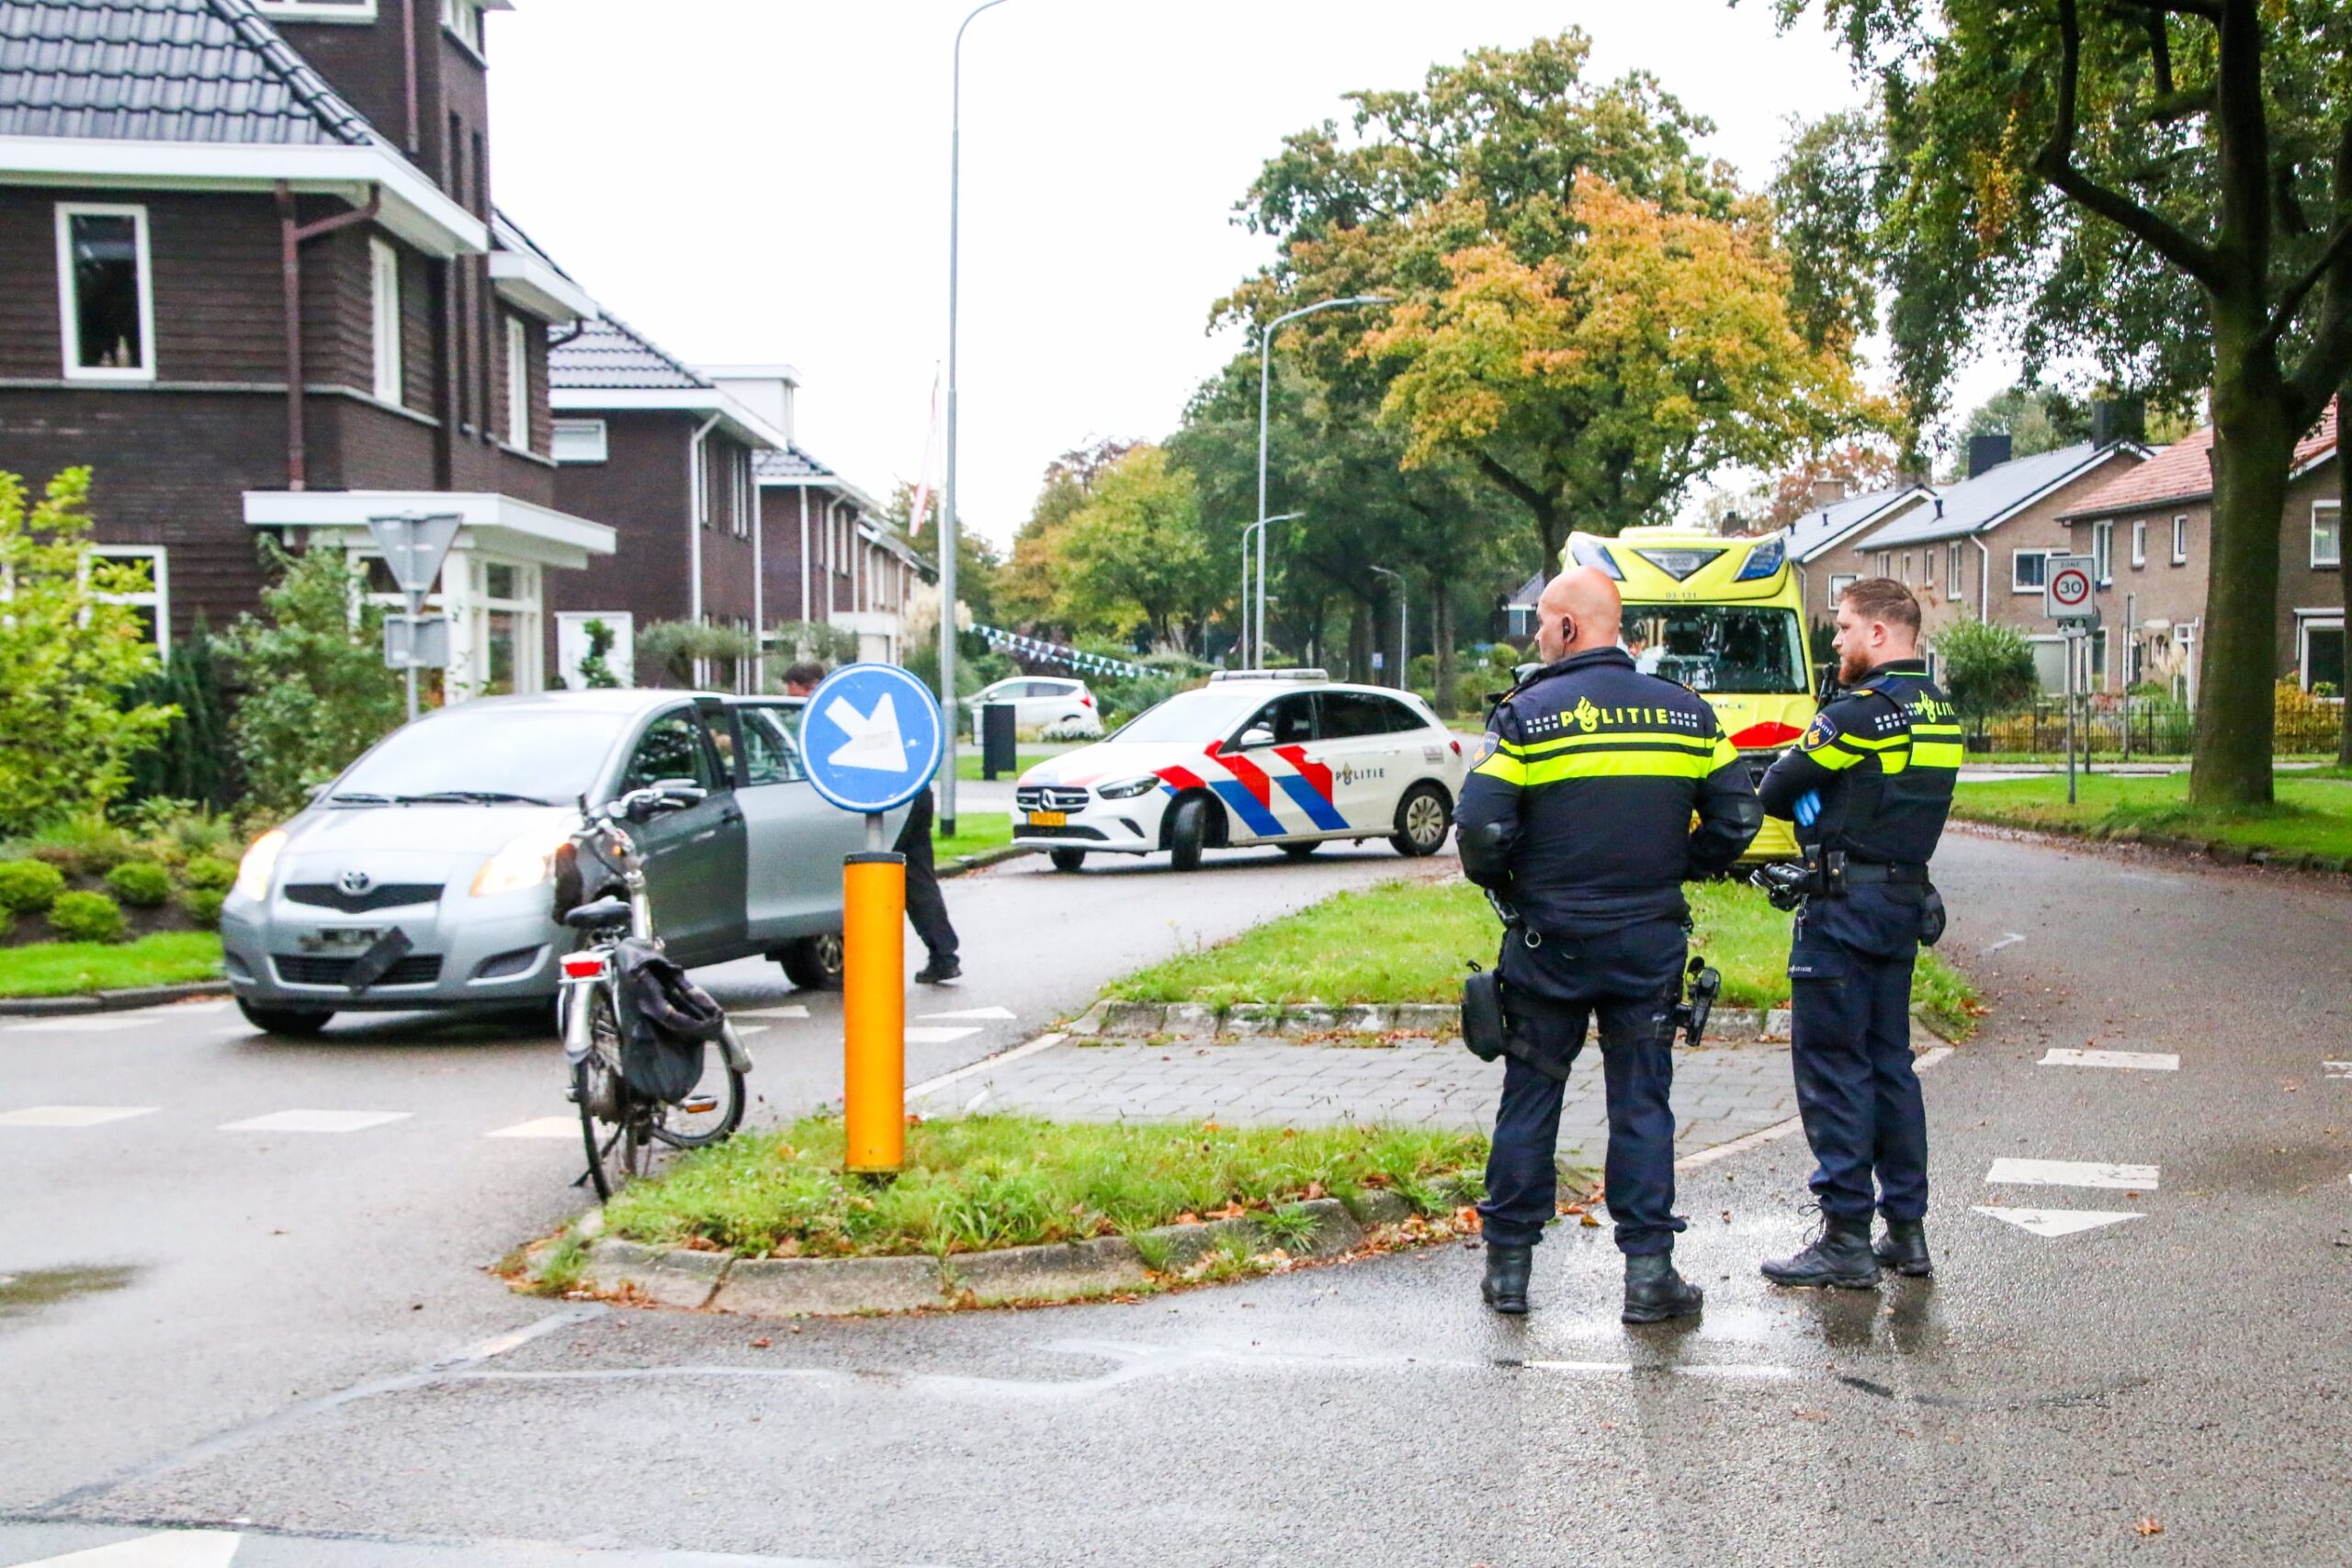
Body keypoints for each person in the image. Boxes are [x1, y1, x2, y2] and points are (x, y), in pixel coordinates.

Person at [1459, 567, 1762, 1322]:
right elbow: (1738, 820)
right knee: (1642, 1102)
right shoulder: (1689, 716)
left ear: (1569, 627)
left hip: (1548, 942)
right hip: (1647, 941)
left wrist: (1516, 884)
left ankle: (1509, 1274)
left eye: (1543, 622)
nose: (1537, 635)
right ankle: (1650, 1278)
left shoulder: (1526, 716)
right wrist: (1675, 866)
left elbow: (1479, 829)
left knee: (1531, 1093)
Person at [1755, 578, 1962, 1287]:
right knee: (1889, 1065)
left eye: (1843, 628)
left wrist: (1815, 799)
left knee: (1834, 1068)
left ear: (1878, 633)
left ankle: (1844, 1234)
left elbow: (1777, 790)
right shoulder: (1940, 710)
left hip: (1841, 910)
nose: (1836, 641)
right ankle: (1906, 1230)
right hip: (1902, 902)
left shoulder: (1858, 714)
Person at [779, 660, 962, 985]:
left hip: (889, 799)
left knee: (870, 875)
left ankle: (870, 960)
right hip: (911, 794)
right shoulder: (854, 700)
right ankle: (944, 954)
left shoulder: (836, 710)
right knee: (917, 880)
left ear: (813, 687)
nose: (801, 706)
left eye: (799, 696)